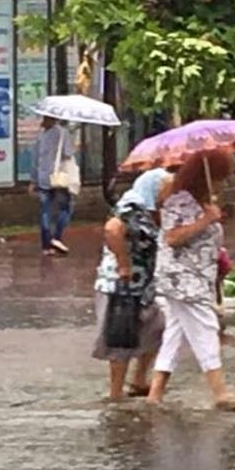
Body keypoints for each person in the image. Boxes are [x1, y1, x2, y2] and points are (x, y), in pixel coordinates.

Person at [147, 149, 235, 412]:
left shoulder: (202, 201)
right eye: (222, 176)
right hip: (182, 278)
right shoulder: (179, 200)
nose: (224, 182)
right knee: (206, 328)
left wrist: (211, 218)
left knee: (175, 333)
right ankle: (220, 392)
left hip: (196, 277)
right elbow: (172, 237)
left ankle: (155, 392)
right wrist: (206, 220)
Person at [92, 168, 169, 400]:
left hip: (144, 285)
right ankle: (115, 393)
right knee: (121, 338)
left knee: (158, 328)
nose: (168, 194)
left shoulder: (152, 211)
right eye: (165, 190)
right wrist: (123, 262)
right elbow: (112, 229)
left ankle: (138, 379)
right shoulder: (131, 209)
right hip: (120, 285)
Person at [30, 116, 76, 256]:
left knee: (45, 211)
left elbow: (35, 160)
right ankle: (56, 237)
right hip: (59, 178)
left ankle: (46, 245)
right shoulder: (63, 133)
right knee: (65, 208)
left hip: (43, 179)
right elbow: (68, 154)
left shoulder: (40, 136)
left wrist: (33, 181)